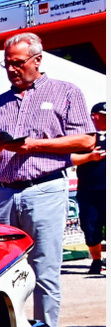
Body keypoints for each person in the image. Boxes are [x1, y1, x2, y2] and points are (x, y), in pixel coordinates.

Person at [0, 32, 96, 327]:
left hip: (45, 189)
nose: (11, 69)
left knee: (44, 268)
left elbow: (86, 139)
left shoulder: (66, 92)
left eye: (18, 62)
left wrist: (31, 146)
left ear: (37, 60)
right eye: (7, 63)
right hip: (4, 192)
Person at [71, 102, 107, 276]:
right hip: (89, 191)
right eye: (103, 114)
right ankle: (97, 260)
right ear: (94, 115)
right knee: (90, 228)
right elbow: (70, 159)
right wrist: (90, 157)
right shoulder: (84, 137)